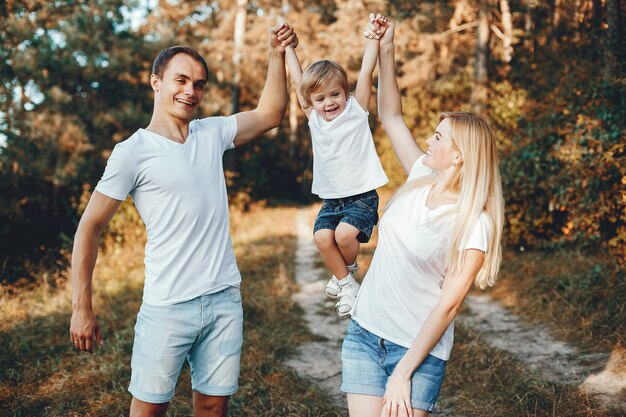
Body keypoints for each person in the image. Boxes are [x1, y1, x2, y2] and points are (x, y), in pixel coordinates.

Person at [69, 23, 297, 417]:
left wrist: (276, 54)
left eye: (199, 84)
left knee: (212, 409)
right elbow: (89, 227)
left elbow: (271, 114)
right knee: (148, 411)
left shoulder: (211, 133)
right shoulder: (132, 153)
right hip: (167, 305)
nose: (191, 91)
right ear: (156, 82)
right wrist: (81, 307)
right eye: (181, 80)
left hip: (224, 298)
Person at [340, 16, 504, 417]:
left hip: (415, 351)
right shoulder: (420, 176)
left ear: (460, 155)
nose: (428, 140)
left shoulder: (474, 224)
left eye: (437, 136)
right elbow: (391, 116)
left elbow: (448, 306)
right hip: (364, 333)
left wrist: (404, 372)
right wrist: (387, 48)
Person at [284, 16, 389, 317]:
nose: (329, 102)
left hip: (361, 197)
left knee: (343, 237)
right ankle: (347, 283)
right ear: (311, 102)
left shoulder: (356, 111)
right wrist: (290, 48)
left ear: (345, 92)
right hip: (333, 200)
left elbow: (367, 71)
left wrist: (374, 38)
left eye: (335, 94)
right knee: (320, 237)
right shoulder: (315, 120)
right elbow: (297, 81)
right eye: (320, 98)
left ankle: (348, 271)